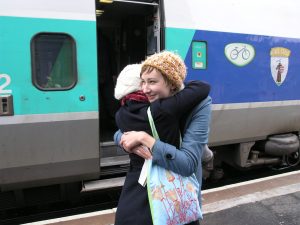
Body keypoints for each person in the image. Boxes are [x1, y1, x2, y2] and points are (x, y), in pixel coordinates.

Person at [113, 51, 211, 225]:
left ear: (172, 84)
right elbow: (119, 132)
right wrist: (123, 137)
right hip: (150, 197)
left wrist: (145, 139)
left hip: (167, 199)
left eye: (152, 82)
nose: (145, 89)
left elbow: (188, 164)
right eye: (143, 81)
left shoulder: (196, 105)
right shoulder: (153, 106)